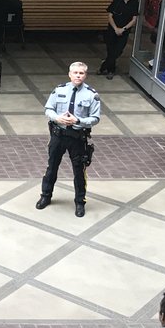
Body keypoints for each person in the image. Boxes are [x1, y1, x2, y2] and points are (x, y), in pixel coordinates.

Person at [36, 61, 100, 217]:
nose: (78, 75)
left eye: (81, 73)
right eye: (75, 73)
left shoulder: (92, 95)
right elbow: (48, 109)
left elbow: (95, 118)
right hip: (59, 135)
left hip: (77, 138)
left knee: (79, 171)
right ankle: (45, 196)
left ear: (85, 75)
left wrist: (78, 121)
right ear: (69, 74)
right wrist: (57, 118)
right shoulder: (59, 90)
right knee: (52, 167)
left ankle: (79, 202)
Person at [101, 0, 139, 78]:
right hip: (111, 30)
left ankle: (103, 66)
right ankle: (110, 70)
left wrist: (123, 29)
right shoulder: (116, 2)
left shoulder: (134, 4)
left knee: (117, 51)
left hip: (124, 32)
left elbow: (134, 19)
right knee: (110, 50)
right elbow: (110, 16)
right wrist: (115, 28)